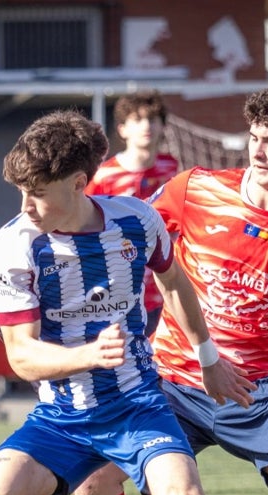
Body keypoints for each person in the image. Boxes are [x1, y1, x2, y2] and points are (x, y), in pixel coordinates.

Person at [73, 81, 268, 495]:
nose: (257, 152)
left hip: (265, 392)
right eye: (254, 137)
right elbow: (113, 225)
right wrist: (32, 248)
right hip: (174, 380)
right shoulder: (194, 188)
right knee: (90, 480)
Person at [0, 110, 254, 495]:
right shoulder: (12, 246)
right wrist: (88, 356)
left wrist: (208, 358)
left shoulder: (137, 219)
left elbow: (173, 280)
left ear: (77, 184)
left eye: (37, 192)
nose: (26, 207)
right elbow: (21, 354)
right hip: (61, 416)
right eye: (21, 191)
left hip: (137, 406)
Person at [85, 90, 179, 336]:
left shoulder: (173, 168)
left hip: (165, 287)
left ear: (162, 126)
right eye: (137, 120)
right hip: (119, 289)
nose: (146, 126)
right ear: (122, 129)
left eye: (152, 119)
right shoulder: (104, 176)